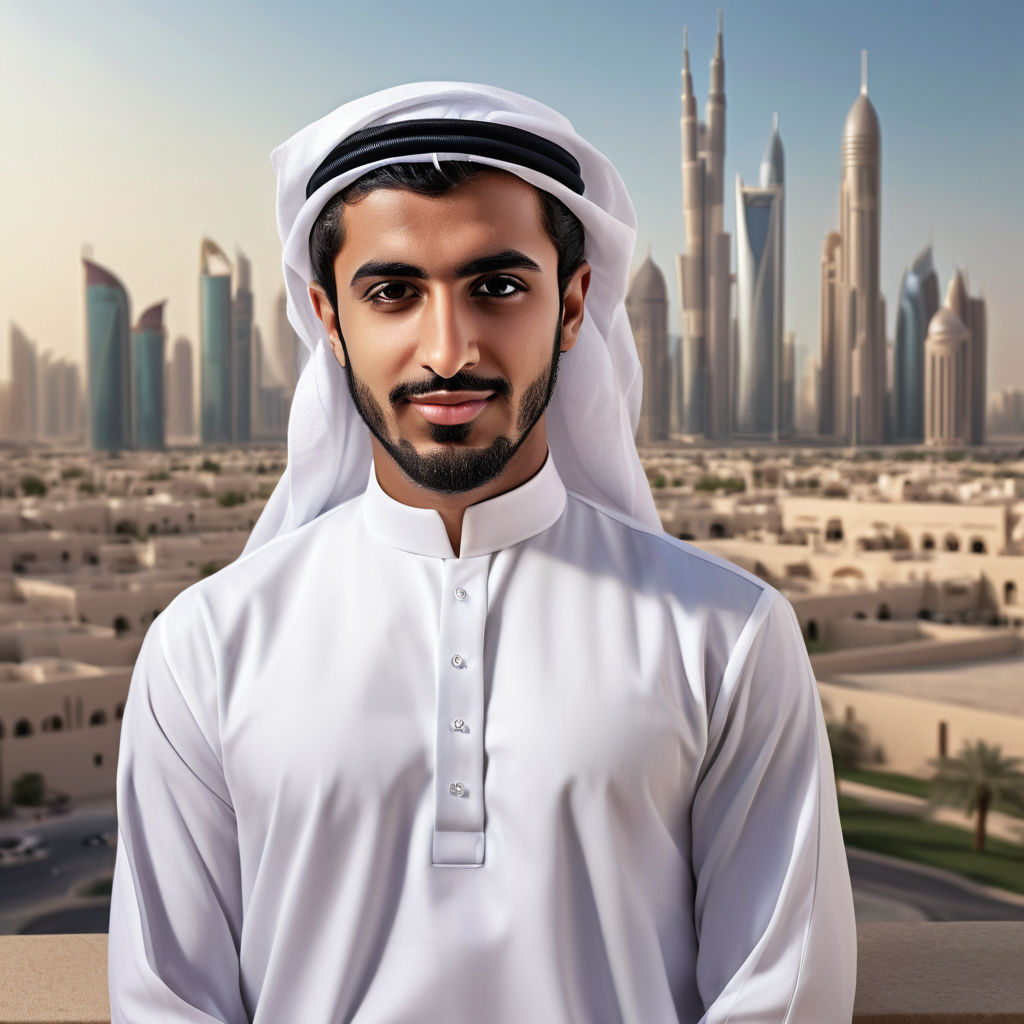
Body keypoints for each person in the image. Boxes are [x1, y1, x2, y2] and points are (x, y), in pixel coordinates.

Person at [108, 82, 857, 1023]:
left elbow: (782, 996)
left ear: (574, 304)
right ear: (330, 319)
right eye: (392, 293)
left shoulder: (729, 637)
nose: (448, 349)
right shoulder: (205, 649)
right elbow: (167, 1001)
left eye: (497, 287)